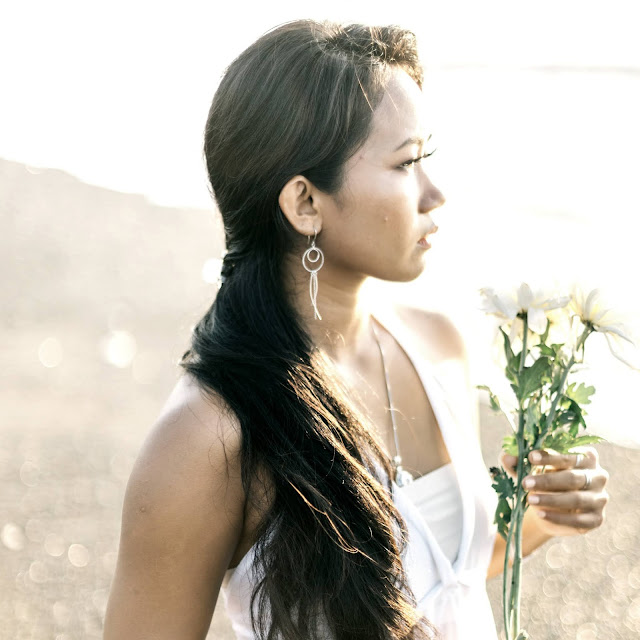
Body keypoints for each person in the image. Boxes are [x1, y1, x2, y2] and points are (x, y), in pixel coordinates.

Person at [103, 19, 609, 640]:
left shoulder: (439, 346)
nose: (436, 193)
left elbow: (443, 576)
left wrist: (539, 517)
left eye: (428, 157)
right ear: (305, 204)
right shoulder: (207, 437)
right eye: (406, 164)